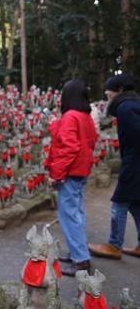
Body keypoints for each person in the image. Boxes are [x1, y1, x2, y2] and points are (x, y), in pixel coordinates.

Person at [46, 79, 98, 276]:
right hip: (81, 170)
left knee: (69, 216)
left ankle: (81, 259)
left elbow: (68, 148)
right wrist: (55, 126)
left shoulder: (70, 116)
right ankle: (79, 251)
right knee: (77, 213)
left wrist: (56, 175)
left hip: (69, 172)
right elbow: (88, 140)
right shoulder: (84, 116)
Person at [88, 74, 140, 259]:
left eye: (109, 91)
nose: (106, 94)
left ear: (119, 90)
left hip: (134, 164)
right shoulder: (132, 105)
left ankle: (114, 245)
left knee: (118, 203)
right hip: (134, 162)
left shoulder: (126, 108)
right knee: (135, 205)